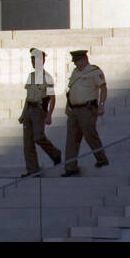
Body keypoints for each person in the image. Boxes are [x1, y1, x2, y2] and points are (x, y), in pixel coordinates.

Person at [61, 49, 109, 176]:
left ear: (84, 59)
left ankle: (101, 159)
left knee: (90, 135)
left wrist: (101, 105)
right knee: (71, 139)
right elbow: (71, 90)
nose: (76, 64)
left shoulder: (94, 71)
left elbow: (103, 88)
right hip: (74, 109)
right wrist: (68, 106)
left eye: (78, 61)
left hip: (87, 109)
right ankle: (70, 167)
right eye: (75, 61)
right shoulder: (75, 72)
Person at [19, 47, 61, 175]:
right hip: (29, 109)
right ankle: (32, 169)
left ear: (42, 61)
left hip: (39, 110)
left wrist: (49, 115)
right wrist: (23, 113)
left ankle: (55, 153)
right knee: (27, 142)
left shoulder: (46, 77)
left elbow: (52, 98)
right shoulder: (31, 76)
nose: (33, 62)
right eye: (32, 60)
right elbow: (28, 96)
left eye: (35, 60)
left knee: (38, 137)